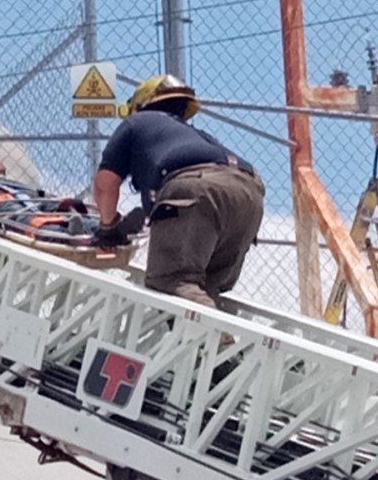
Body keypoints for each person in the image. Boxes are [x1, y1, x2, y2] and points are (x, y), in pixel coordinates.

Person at [92, 74, 265, 311]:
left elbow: (105, 183)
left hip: (199, 188)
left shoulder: (136, 123)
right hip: (249, 198)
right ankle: (220, 343)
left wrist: (108, 227)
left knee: (171, 280)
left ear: (139, 106)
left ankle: (214, 335)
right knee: (202, 289)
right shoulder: (194, 138)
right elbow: (174, 215)